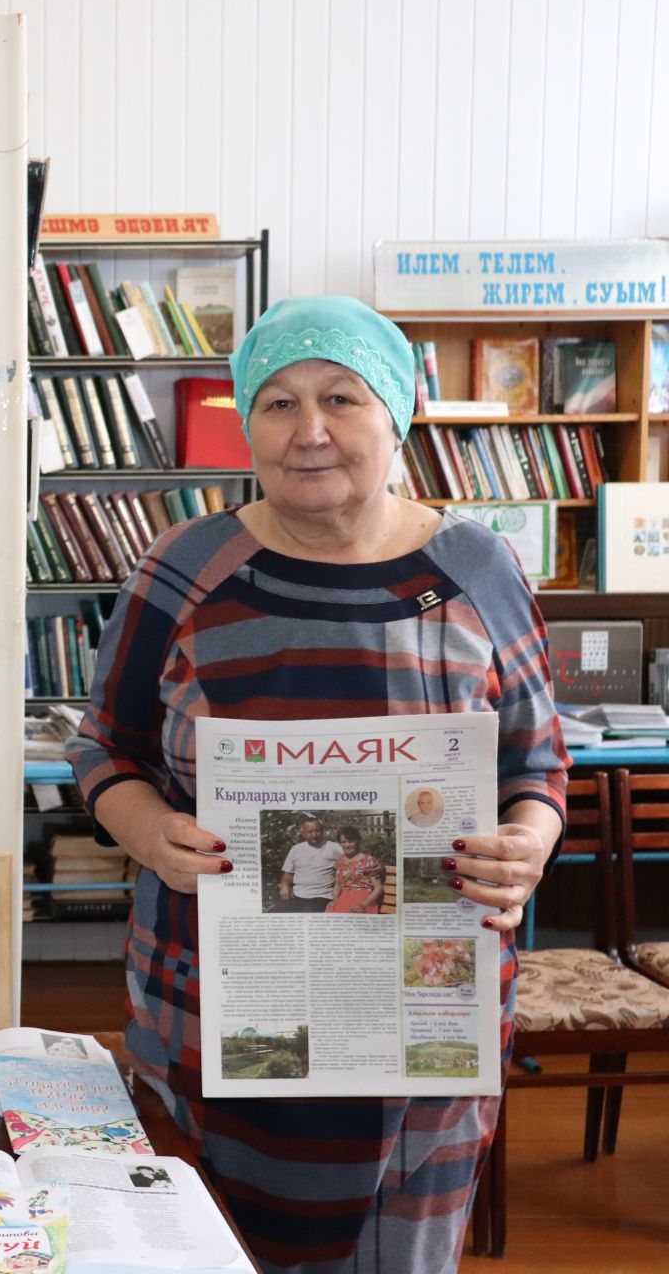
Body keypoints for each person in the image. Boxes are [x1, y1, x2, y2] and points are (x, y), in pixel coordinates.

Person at [67, 296, 566, 1273]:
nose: (310, 431)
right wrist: (145, 826)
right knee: (210, 1248)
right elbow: (103, 746)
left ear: (397, 412)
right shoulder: (187, 569)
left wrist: (531, 840)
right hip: (219, 1011)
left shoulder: (469, 567)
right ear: (247, 423)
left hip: (423, 1018)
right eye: (278, 403)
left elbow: (536, 758)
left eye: (341, 397)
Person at [278, 816, 342, 913]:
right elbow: (288, 874)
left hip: (322, 896)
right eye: (310, 832)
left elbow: (353, 861)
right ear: (303, 833)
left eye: (317, 831)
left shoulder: (334, 847)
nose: (314, 835)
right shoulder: (296, 849)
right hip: (298, 895)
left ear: (322, 831)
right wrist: (284, 885)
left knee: (309, 912)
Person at [326, 826, 385, 915]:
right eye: (343, 842)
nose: (347, 845)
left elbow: (378, 888)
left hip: (363, 900)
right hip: (344, 899)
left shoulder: (368, 861)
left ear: (358, 841)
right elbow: (337, 885)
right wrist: (335, 901)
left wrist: (364, 904)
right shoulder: (340, 861)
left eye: (351, 841)